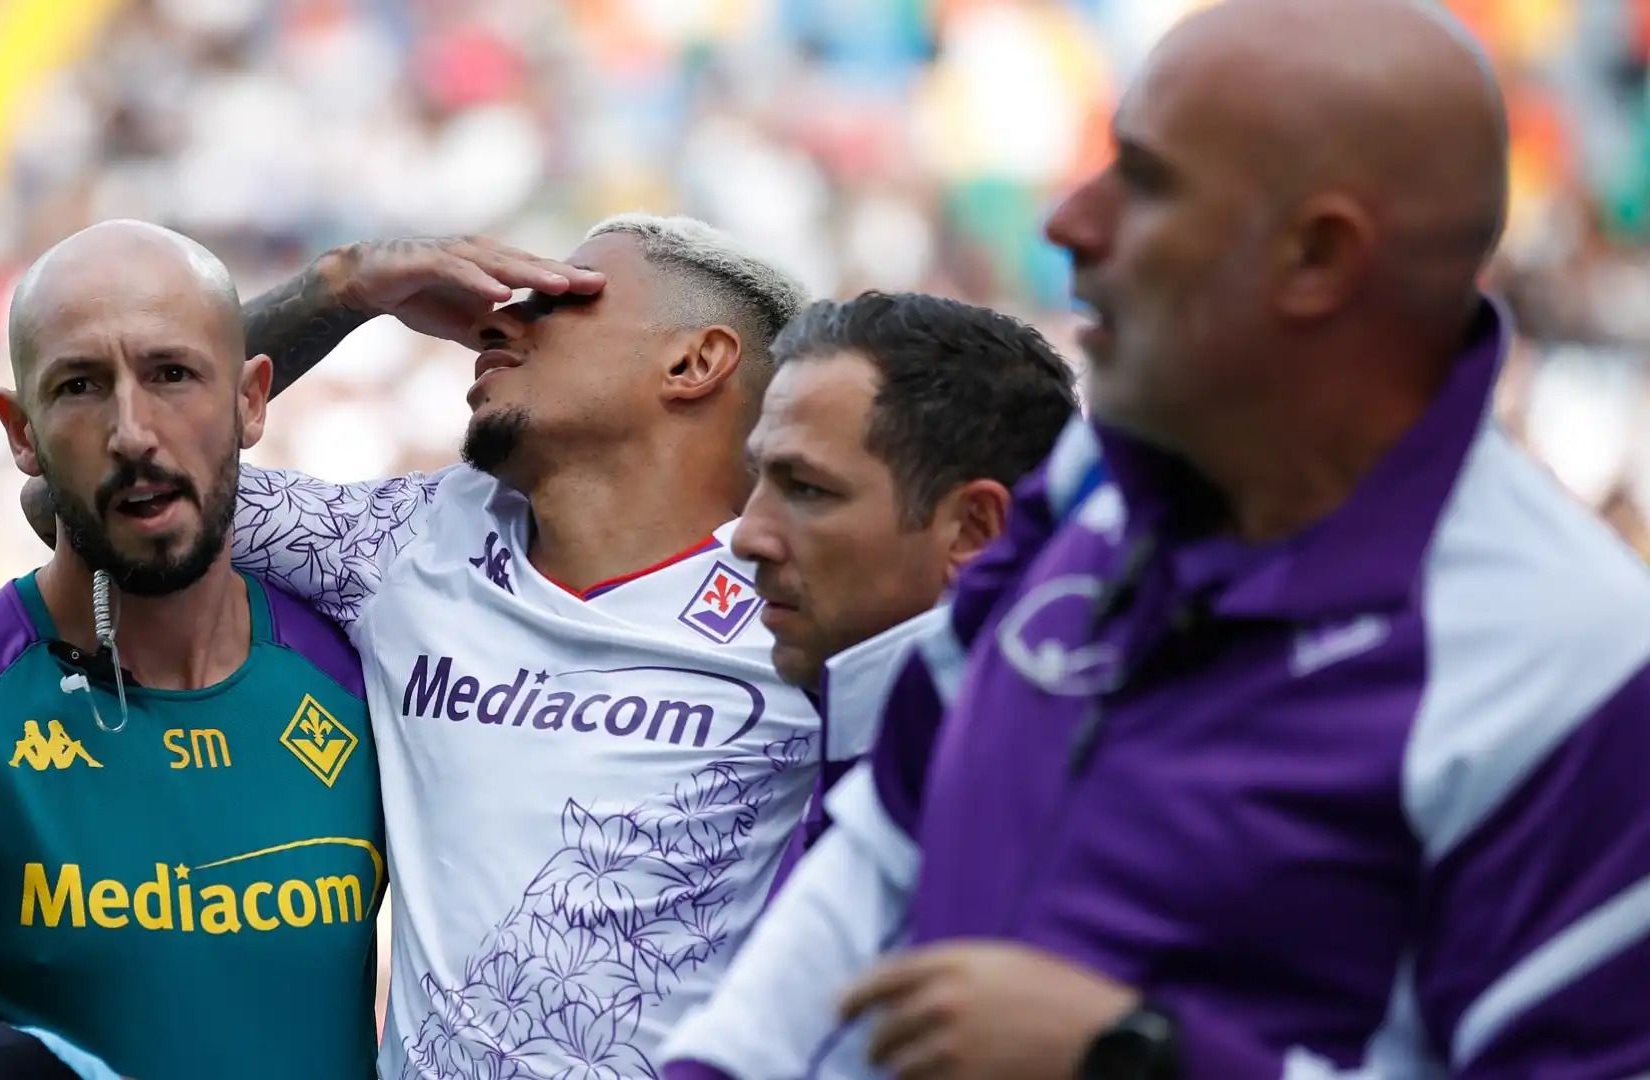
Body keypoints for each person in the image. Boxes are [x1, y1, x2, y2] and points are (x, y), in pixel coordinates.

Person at [663, 1, 1650, 1078]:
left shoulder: (1573, 665)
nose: (1069, 221)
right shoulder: (1093, 483)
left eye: (1144, 181)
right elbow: (886, 842)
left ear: (1318, 256)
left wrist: (1136, 1057)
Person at [206, 215, 828, 1078]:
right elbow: (88, 485)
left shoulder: (811, 607)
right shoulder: (405, 542)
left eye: (555, 300)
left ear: (694, 362)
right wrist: (339, 290)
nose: (497, 318)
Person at [0, 221, 382, 1080]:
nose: (133, 432)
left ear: (251, 400)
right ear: (21, 431)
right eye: (81, 386)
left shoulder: (368, 681)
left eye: (172, 374)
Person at [725, 290, 1077, 865]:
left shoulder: (1020, 808)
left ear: (973, 530)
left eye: (807, 489)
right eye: (756, 480)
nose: (746, 537)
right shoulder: (855, 733)